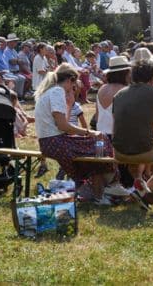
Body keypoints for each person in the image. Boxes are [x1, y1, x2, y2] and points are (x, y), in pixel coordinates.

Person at [35, 63, 127, 205]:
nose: (73, 90)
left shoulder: (50, 91)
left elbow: (62, 125)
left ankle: (98, 190)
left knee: (97, 150)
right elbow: (63, 126)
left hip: (50, 142)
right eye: (73, 87)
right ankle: (111, 185)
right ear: (70, 80)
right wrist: (89, 132)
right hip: (55, 142)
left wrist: (70, 104)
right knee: (101, 142)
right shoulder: (57, 91)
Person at [112, 58, 153, 209]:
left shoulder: (119, 95)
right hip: (143, 150)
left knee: (136, 154)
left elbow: (115, 124)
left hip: (119, 152)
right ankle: (143, 189)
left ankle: (138, 182)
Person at [93, 55, 130, 138]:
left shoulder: (102, 88)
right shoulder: (124, 90)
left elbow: (97, 116)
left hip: (100, 134)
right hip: (117, 135)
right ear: (125, 73)